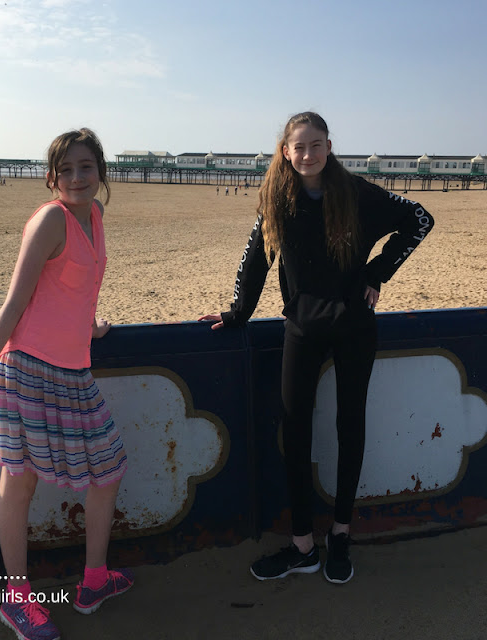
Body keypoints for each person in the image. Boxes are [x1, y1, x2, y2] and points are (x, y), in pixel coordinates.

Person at [199, 112, 434, 585]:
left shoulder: (358, 193)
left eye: (316, 145)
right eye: (298, 147)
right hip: (302, 327)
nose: (307, 154)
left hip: (353, 327)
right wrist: (237, 312)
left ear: (330, 147)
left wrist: (376, 273)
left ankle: (341, 534)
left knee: (351, 427)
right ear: (285, 152)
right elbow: (258, 259)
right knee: (296, 431)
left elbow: (421, 219)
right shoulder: (278, 200)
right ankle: (303, 545)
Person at [0, 128, 133, 640]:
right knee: (20, 484)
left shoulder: (96, 217)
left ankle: (94, 580)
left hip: (73, 371)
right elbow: (13, 304)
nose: (76, 178)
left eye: (86, 167)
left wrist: (90, 325)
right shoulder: (50, 220)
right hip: (27, 371)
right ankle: (16, 601)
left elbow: (70, 288)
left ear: (101, 172)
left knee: (107, 470)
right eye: (65, 170)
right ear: (51, 178)